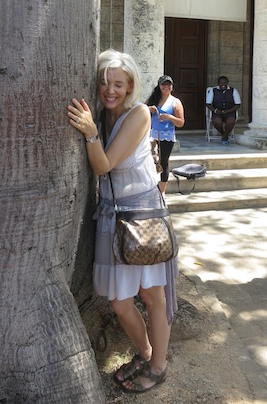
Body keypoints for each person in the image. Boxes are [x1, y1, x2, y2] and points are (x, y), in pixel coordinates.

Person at [67, 50, 178, 394]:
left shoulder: (139, 114)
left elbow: (104, 165)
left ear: (131, 86)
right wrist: (93, 125)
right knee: (120, 302)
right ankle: (146, 353)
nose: (110, 90)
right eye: (104, 83)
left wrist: (88, 132)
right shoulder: (102, 116)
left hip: (142, 214)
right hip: (114, 215)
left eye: (117, 84)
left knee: (153, 295)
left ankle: (158, 367)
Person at [146, 75, 185, 194]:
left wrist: (170, 117)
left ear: (172, 87)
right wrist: (149, 109)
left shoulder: (175, 102)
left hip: (166, 135)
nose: (166, 87)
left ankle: (162, 191)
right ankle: (150, 186)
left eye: (169, 85)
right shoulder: (154, 98)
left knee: (163, 162)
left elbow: (181, 122)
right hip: (152, 134)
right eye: (164, 84)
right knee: (150, 160)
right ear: (159, 86)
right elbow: (140, 110)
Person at [206, 76, 241, 145]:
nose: (223, 84)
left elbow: (238, 104)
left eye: (225, 83)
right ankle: (224, 135)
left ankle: (224, 136)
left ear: (227, 83)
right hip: (217, 112)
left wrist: (228, 111)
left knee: (231, 121)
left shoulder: (233, 90)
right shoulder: (213, 90)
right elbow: (208, 103)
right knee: (216, 121)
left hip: (230, 112)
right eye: (221, 83)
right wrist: (215, 110)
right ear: (218, 83)